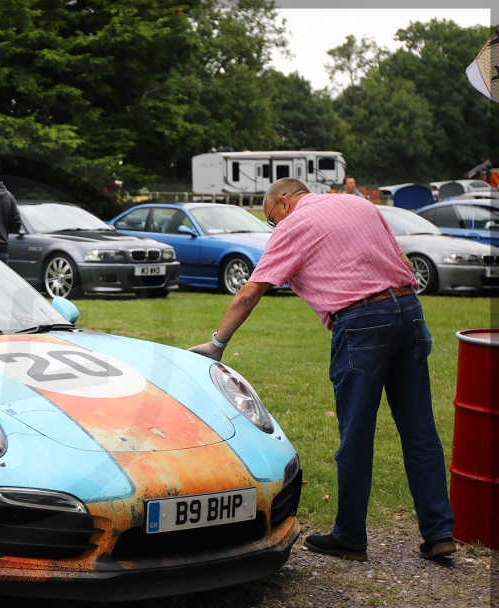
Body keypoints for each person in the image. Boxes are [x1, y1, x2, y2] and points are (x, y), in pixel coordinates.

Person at [187, 178, 456, 563]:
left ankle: (349, 537)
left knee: (356, 436)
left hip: (361, 322)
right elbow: (397, 258)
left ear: (283, 201)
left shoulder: (294, 225)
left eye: (270, 220)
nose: (274, 228)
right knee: (420, 431)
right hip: (409, 310)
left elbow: (251, 292)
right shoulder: (358, 203)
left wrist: (217, 343)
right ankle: (439, 531)